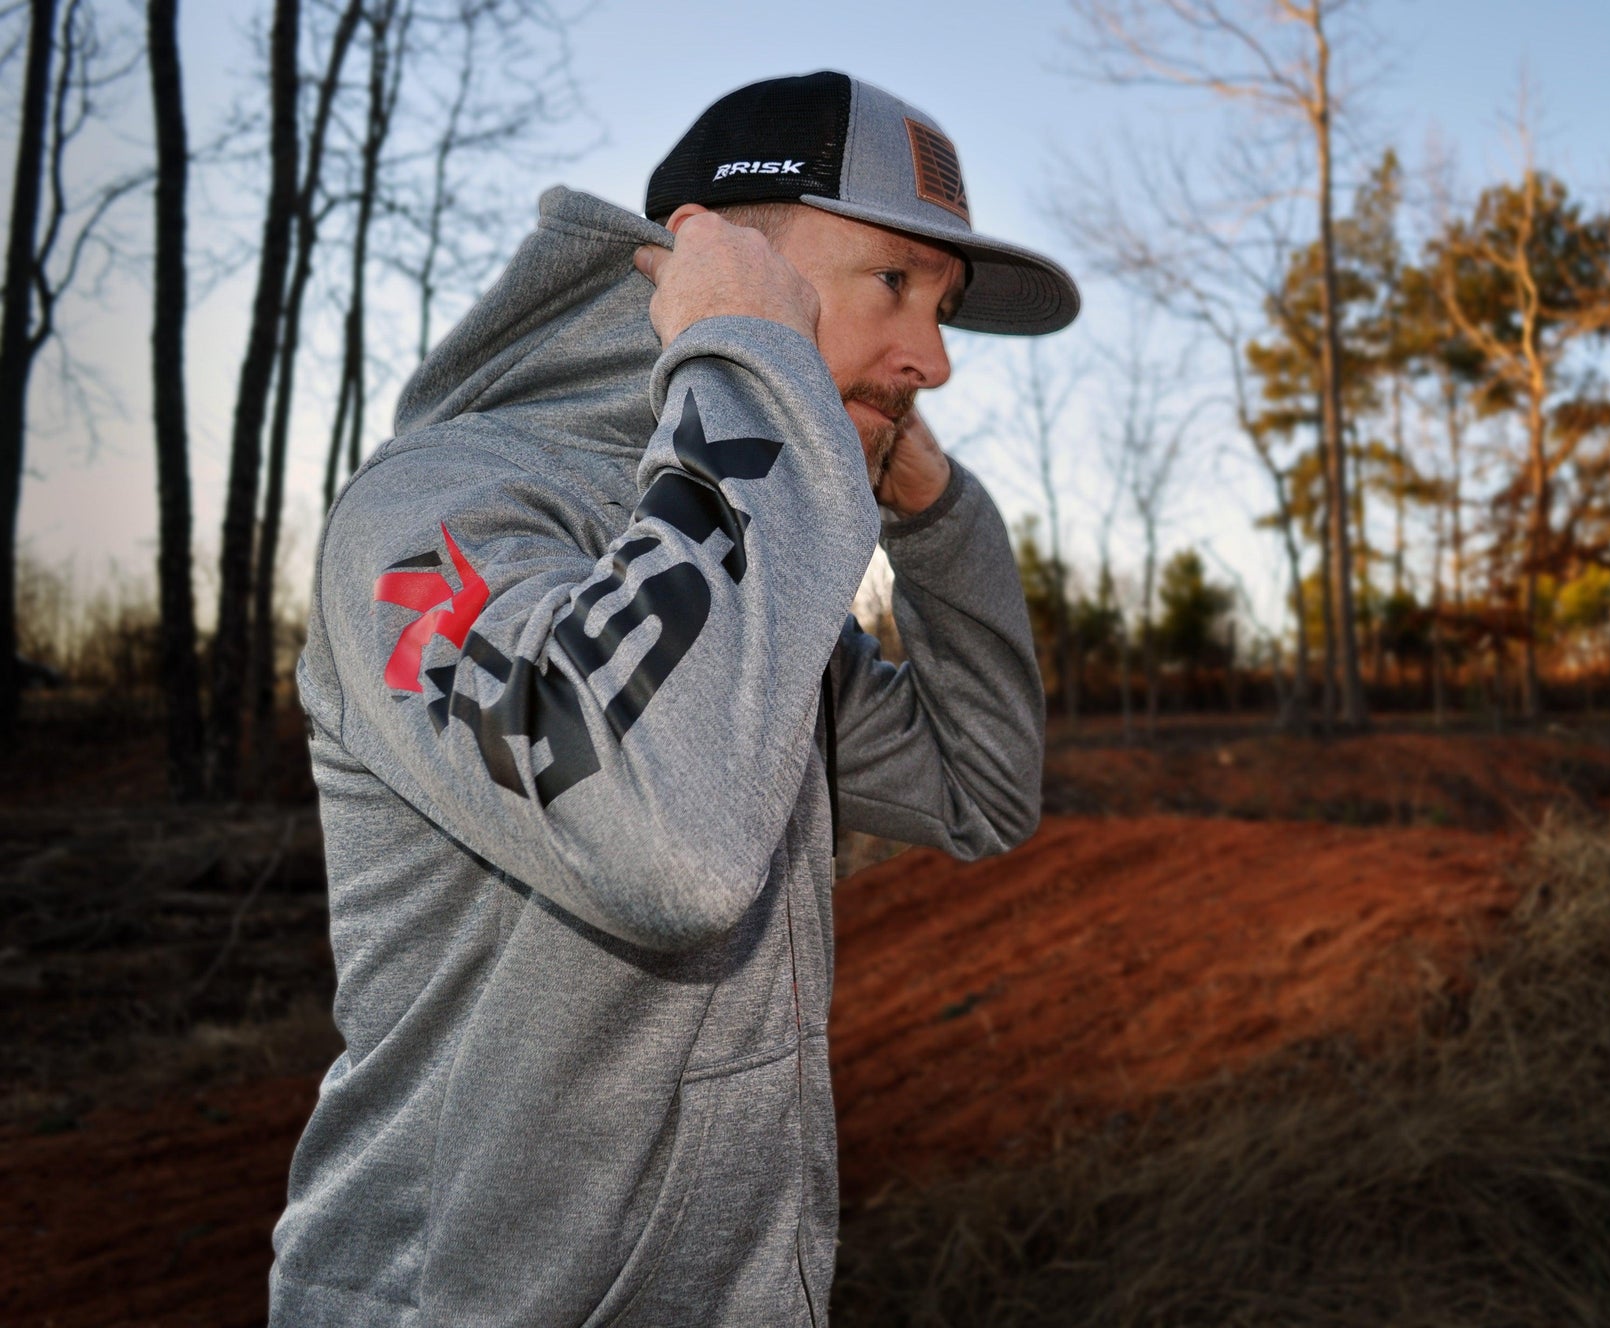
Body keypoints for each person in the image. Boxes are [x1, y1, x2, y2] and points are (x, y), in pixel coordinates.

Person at [269, 71, 1078, 1326]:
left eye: (946, 308)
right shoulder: (432, 511)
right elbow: (661, 839)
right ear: (714, 256)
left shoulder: (749, 561)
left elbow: (980, 791)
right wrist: (754, 371)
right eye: (894, 285)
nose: (932, 358)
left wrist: (937, 521)